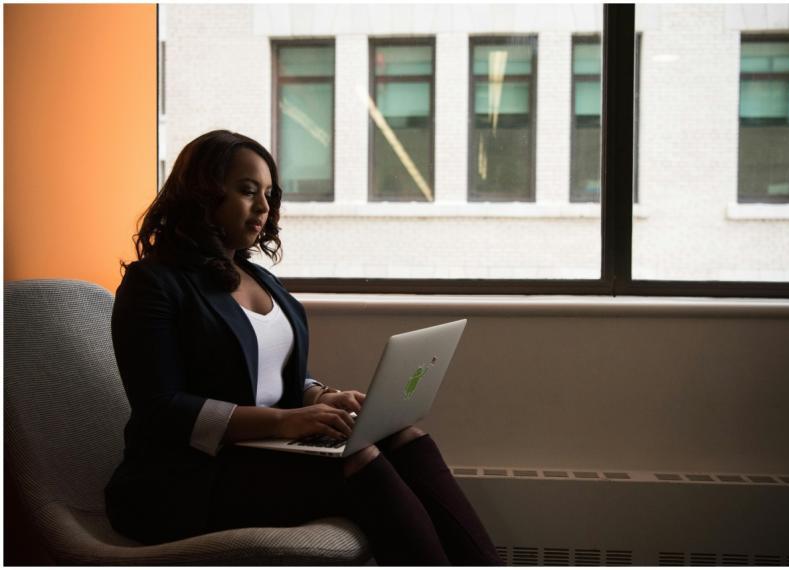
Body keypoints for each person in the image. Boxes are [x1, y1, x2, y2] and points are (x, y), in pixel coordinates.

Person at [104, 129, 502, 565]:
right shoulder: (153, 285)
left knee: (405, 436)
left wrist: (320, 395)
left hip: (261, 455)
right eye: (247, 191)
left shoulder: (258, 278)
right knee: (361, 460)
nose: (263, 207)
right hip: (182, 478)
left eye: (269, 195)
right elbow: (161, 409)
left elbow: (271, 372)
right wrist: (284, 422)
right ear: (202, 193)